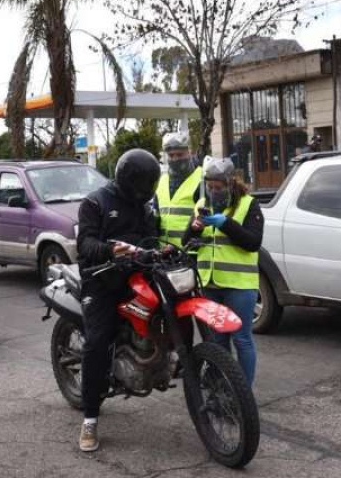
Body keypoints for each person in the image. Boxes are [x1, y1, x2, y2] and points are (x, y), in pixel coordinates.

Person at [75, 148, 161, 453]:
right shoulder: (96, 202)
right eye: (142, 183)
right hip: (101, 280)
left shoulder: (145, 206)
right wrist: (111, 251)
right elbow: (84, 242)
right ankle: (90, 419)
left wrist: (166, 250)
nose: (145, 190)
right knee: (97, 341)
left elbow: (154, 236)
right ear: (127, 180)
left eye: (150, 183)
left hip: (136, 276)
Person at [184, 157, 264, 386]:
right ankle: (221, 388)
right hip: (210, 284)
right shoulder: (201, 205)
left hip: (239, 285)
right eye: (209, 187)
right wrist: (194, 229)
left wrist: (225, 224)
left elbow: (253, 242)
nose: (213, 192)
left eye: (218, 188)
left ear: (231, 184)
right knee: (218, 340)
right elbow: (186, 241)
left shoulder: (249, 204)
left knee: (242, 339)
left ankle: (243, 392)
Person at [156, 131, 203, 247]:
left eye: (180, 154)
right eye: (171, 155)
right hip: (164, 254)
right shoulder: (162, 180)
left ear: (190, 152)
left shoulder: (202, 178)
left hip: (190, 252)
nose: (175, 159)